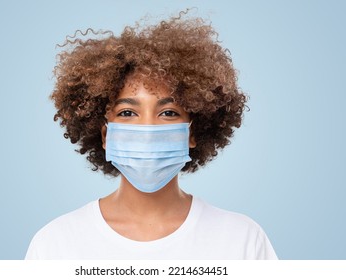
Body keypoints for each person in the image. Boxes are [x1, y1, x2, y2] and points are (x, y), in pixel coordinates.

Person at [25, 10, 277, 259]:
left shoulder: (242, 240)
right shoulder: (55, 244)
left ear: (193, 132)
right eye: (127, 113)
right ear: (104, 135)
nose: (147, 130)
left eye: (168, 113)